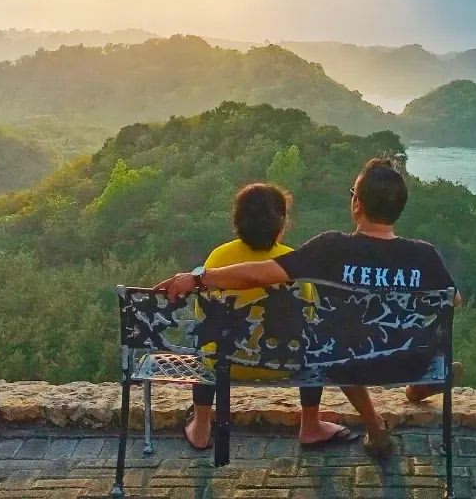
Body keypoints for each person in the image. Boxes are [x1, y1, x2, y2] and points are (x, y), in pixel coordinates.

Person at [156, 158, 459, 456]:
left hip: (350, 362)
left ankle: (376, 426)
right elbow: (453, 301)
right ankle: (417, 388)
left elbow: (258, 273)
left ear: (358, 205)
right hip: (409, 360)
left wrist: (199, 278)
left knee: (341, 342)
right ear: (399, 209)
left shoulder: (331, 248)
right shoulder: (425, 256)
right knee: (388, 343)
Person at [180, 183, 356, 450]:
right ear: (281, 221)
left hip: (226, 363)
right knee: (311, 342)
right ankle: (310, 425)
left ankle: (201, 427)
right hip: (285, 361)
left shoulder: (218, 258)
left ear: (237, 220)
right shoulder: (291, 260)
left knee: (207, 345)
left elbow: (203, 315)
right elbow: (308, 317)